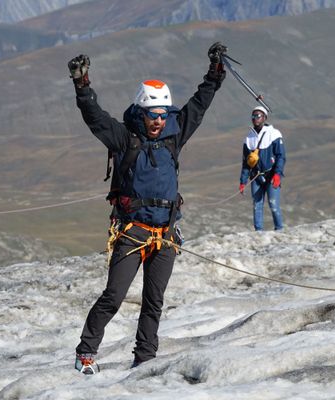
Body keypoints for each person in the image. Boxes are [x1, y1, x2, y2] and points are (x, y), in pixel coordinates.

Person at [68, 42, 227, 374]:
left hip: (166, 234)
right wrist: (82, 86)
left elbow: (200, 103)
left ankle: (144, 359)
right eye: (153, 115)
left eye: (162, 115)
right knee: (114, 296)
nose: (158, 120)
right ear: (140, 112)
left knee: (154, 302)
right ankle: (86, 353)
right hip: (133, 232)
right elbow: (94, 118)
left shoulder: (175, 132)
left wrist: (215, 72)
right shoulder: (125, 138)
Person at [238, 106, 286, 231]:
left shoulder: (274, 134)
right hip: (256, 176)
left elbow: (281, 156)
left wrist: (277, 174)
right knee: (257, 205)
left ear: (264, 117)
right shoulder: (248, 138)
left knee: (273, 203)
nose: (255, 119)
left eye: (258, 116)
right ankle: (258, 231)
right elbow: (246, 163)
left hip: (271, 175)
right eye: (253, 116)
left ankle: (279, 229)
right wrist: (243, 181)